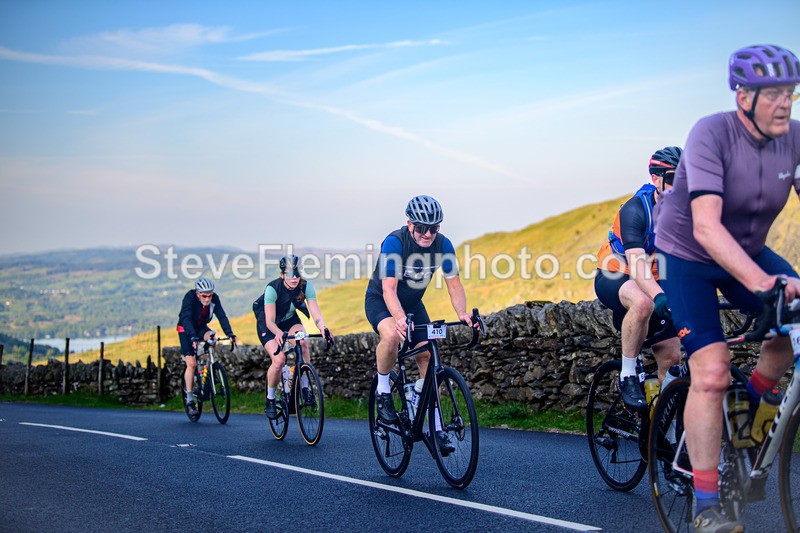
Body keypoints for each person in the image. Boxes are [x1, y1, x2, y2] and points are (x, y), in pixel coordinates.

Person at [655, 44, 800, 532]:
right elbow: (707, 227)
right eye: (774, 93)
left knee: (786, 340)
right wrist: (763, 284)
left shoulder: (795, 138)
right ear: (743, 97)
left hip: (750, 249)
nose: (786, 103)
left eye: (791, 93)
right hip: (691, 257)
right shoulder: (710, 133)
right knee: (713, 371)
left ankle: (750, 413)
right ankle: (705, 504)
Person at [364, 194, 476, 455]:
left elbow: (454, 283)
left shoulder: (443, 245)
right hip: (380, 300)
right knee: (391, 335)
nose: (427, 234)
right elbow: (389, 290)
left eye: (433, 228)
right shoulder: (394, 243)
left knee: (428, 355)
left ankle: (436, 428)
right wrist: (400, 319)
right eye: (421, 227)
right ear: (409, 223)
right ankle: (383, 392)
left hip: (413, 305)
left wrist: (462, 313)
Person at [594, 147, 683, 411]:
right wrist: (659, 296)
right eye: (674, 179)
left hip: (656, 276)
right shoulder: (636, 210)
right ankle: (628, 374)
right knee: (643, 302)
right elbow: (637, 264)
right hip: (616, 273)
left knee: (672, 356)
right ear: (656, 179)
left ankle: (661, 433)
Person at [254, 255, 332, 419]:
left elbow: (315, 312)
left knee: (302, 343)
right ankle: (270, 398)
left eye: (297, 274)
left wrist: (323, 327)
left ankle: (305, 388)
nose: (294, 278)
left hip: (290, 321)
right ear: (282, 275)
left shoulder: (305, 286)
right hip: (269, 325)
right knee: (279, 360)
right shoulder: (273, 289)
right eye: (290, 275)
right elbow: (269, 321)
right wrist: (277, 333)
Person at [176, 277, 237, 417]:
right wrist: (192, 336)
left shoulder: (214, 298)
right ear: (198, 294)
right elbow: (185, 318)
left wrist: (230, 333)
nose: (208, 298)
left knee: (212, 338)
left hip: (201, 327)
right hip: (185, 330)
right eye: (204, 296)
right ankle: (190, 400)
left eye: (210, 295)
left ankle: (211, 368)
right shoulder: (189, 297)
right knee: (191, 363)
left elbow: (222, 316)